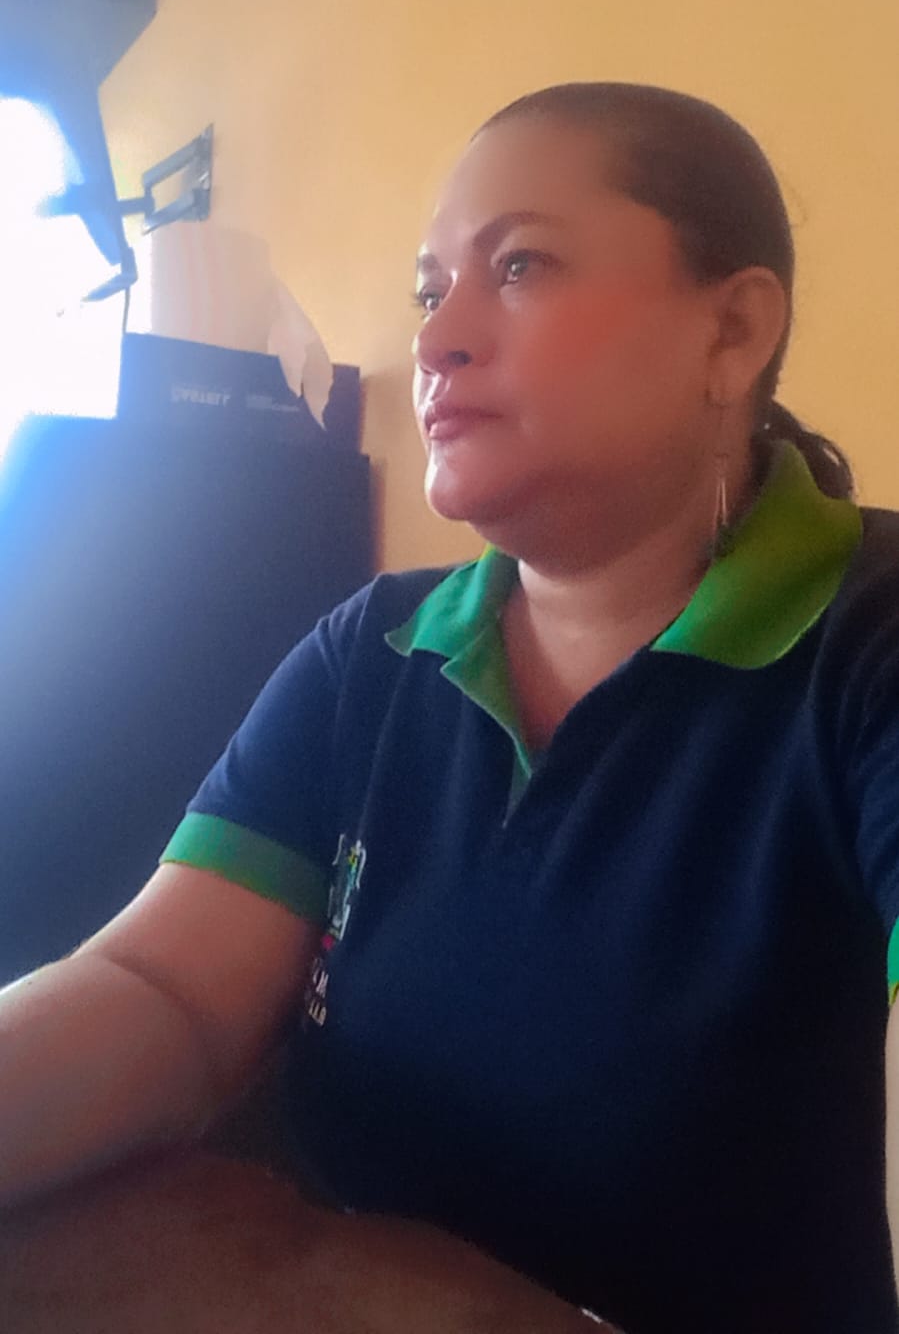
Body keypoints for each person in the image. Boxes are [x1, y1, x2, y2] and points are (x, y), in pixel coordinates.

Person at [1, 81, 898, 1334]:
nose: (436, 339)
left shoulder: (867, 641)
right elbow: (168, 990)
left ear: (732, 330)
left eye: (518, 265)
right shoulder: (369, 650)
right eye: (431, 292)